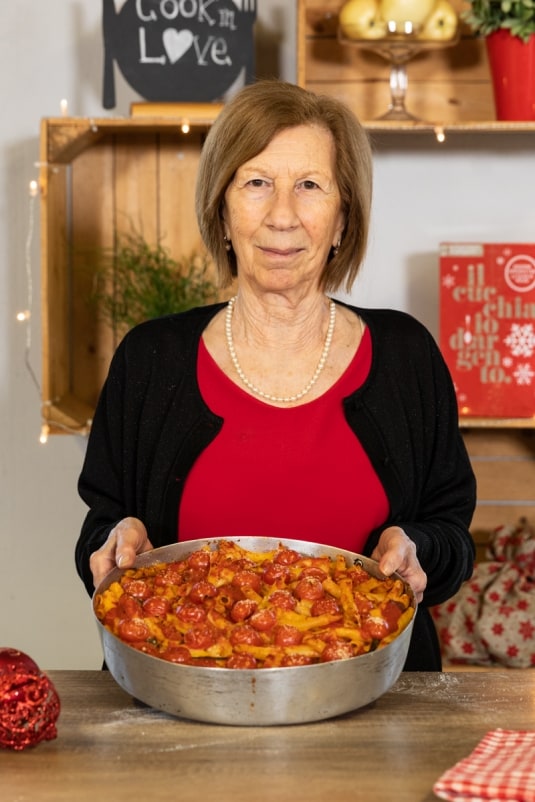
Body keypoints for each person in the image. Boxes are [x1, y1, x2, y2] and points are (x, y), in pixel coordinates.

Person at [75, 79, 476, 671]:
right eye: (257, 183)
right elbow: (101, 531)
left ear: (343, 218)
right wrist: (116, 539)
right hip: (180, 712)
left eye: (310, 186)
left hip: (376, 713)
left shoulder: (406, 355)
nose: (282, 215)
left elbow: (451, 534)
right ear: (223, 207)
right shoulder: (149, 359)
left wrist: (421, 551)